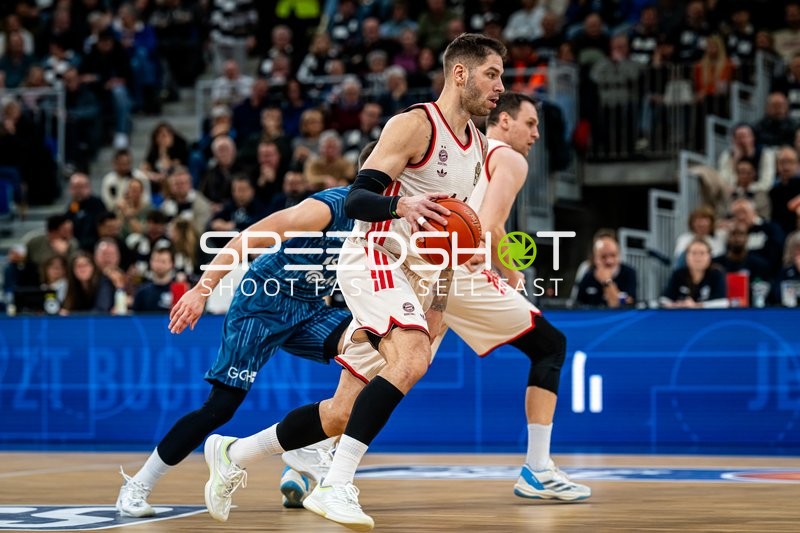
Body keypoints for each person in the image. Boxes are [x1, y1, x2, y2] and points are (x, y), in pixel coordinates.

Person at [200, 33, 507, 530]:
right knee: (408, 359)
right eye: (492, 74)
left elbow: (450, 239)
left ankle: (233, 453)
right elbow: (359, 198)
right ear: (460, 73)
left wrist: (437, 307)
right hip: (372, 257)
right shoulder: (413, 125)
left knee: (342, 411)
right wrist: (400, 204)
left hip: (417, 279)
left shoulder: (476, 149)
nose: (500, 85)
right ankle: (335, 487)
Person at [114, 185, 356, 517]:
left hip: (309, 308)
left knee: (374, 346)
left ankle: (312, 447)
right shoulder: (330, 206)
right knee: (220, 408)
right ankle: (137, 485)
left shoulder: (387, 217)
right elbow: (247, 238)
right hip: (262, 302)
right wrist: (201, 291)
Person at [660, 238, 728, 309]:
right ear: (686, 256)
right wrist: (678, 305)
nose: (698, 257)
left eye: (702, 253)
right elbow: (664, 300)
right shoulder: (678, 274)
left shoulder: (716, 275)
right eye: (694, 253)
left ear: (709, 256)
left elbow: (722, 302)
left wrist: (696, 306)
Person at [573, 234, 637, 308]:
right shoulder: (588, 276)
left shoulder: (628, 273)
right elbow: (576, 306)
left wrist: (607, 282)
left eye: (613, 255)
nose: (609, 261)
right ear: (595, 258)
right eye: (603, 257)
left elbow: (624, 305)